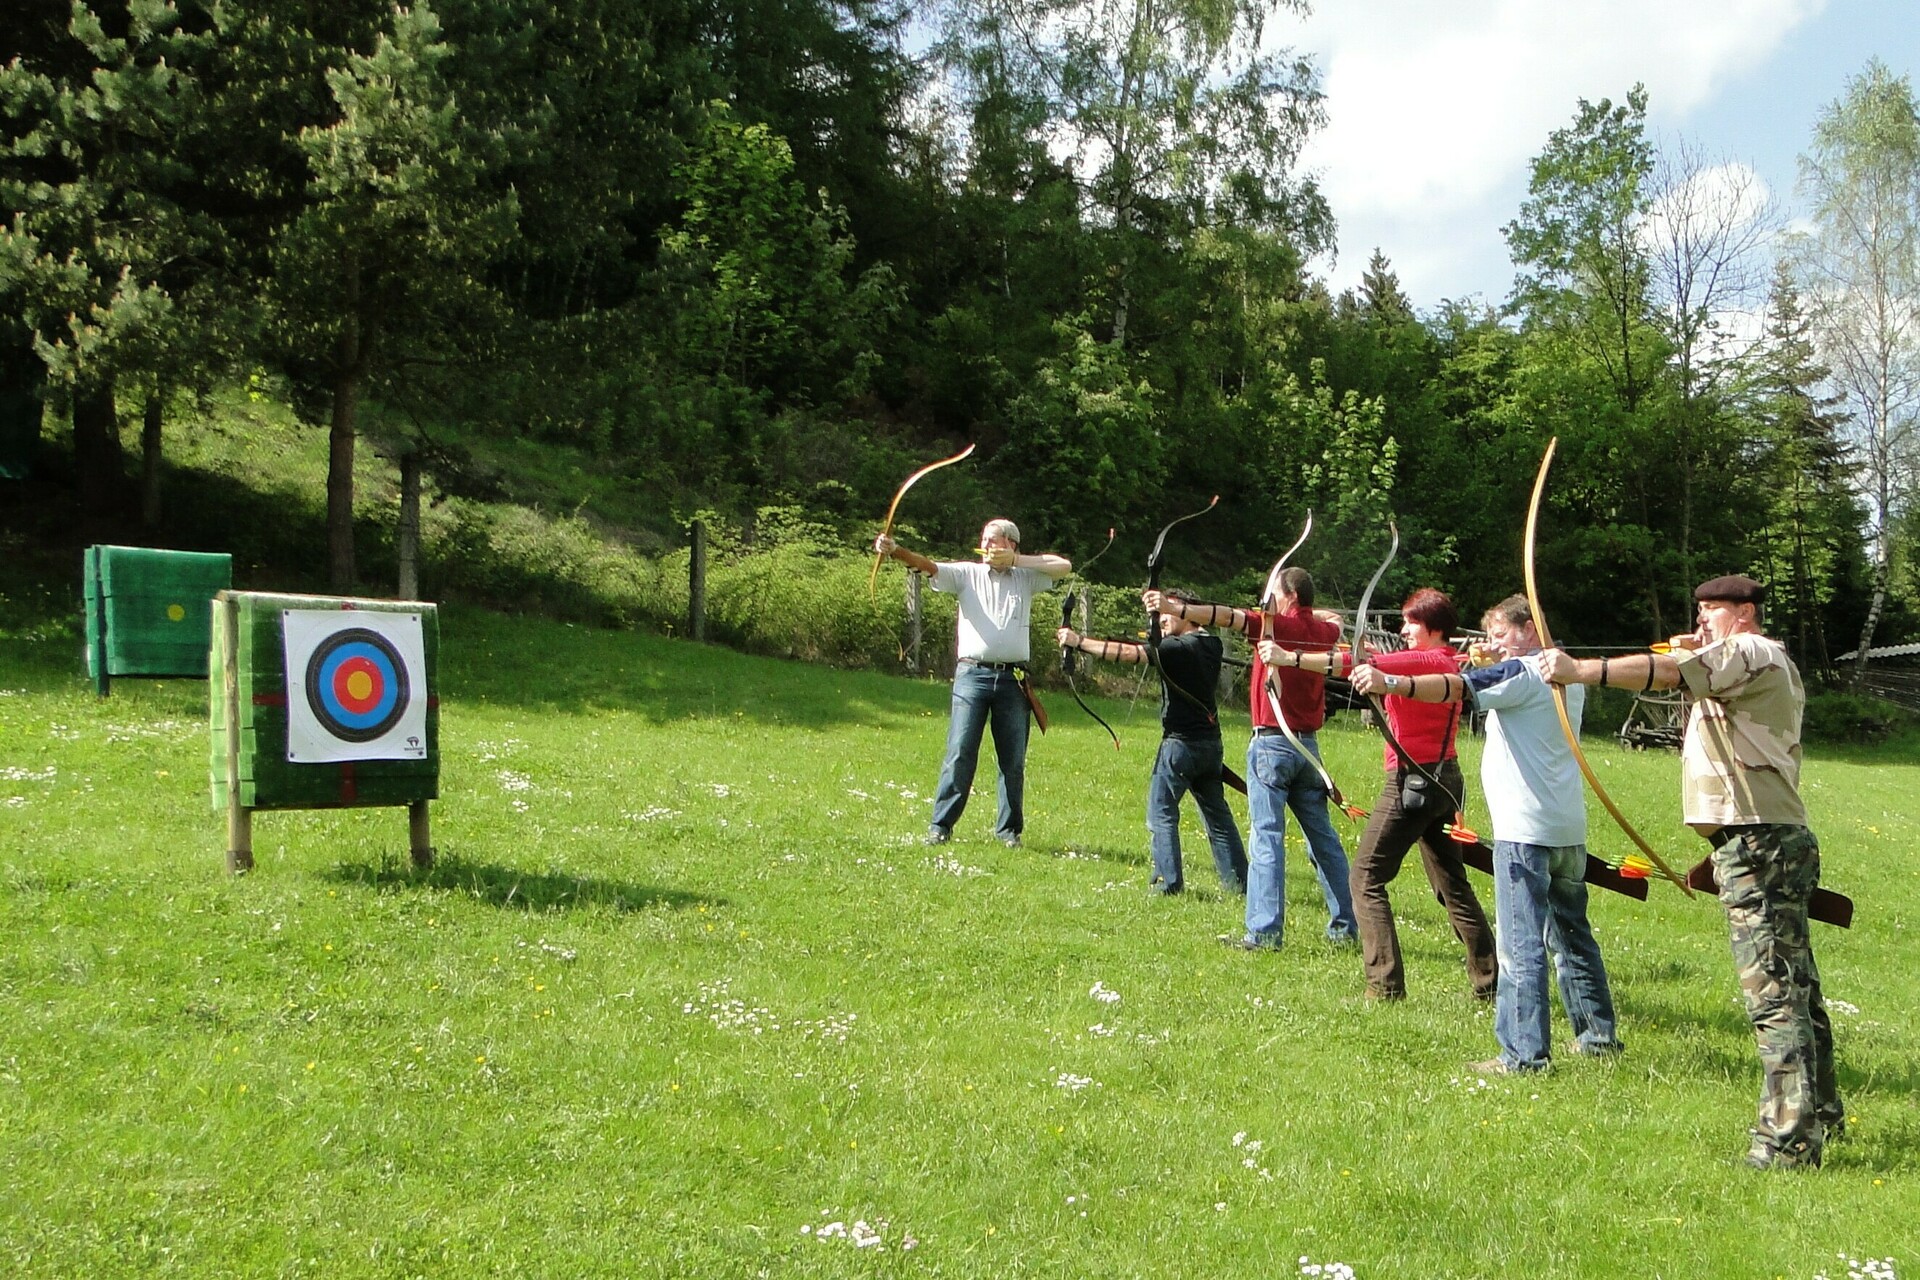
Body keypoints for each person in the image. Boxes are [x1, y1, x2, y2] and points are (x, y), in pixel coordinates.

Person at [1536, 574, 1842, 1170]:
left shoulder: (1751, 651)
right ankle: (1821, 1112)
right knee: (1796, 986)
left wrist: (1581, 671)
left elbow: (1674, 672)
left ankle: (1788, 1141)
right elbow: (1684, 666)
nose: (1702, 621)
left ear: (1746, 613)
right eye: (1698, 612)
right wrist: (1692, 647)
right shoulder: (1740, 660)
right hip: (1762, 838)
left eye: (1713, 611)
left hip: (1758, 841)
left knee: (1773, 996)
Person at [1352, 594, 1619, 1071]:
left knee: (1521, 946)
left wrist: (1390, 680)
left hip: (1525, 830)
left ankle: (1523, 1055)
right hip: (1566, 828)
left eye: (1501, 634)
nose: (1492, 643)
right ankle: (1598, 1037)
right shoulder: (1568, 673)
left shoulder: (1521, 673)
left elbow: (1454, 688)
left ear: (1531, 631)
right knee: (1572, 937)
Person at [1266, 588, 1496, 1000]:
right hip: (1444, 782)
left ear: (1435, 629)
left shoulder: (1428, 659)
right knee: (1452, 886)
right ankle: (1490, 982)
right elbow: (1367, 659)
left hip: (1412, 782)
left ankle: (1384, 985)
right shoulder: (1439, 660)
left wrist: (1286, 658)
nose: (1404, 630)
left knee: (1366, 879)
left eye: (1412, 623)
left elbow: (1353, 663)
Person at [1148, 568, 1356, 949]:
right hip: (1307, 748)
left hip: (1272, 745)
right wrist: (1305, 610)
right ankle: (1346, 927)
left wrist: (1173, 607)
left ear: (1287, 595)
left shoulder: (1271, 628)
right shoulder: (1320, 632)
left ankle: (1264, 933)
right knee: (1323, 839)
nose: (1265, 598)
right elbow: (1335, 621)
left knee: (1266, 837)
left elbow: (1225, 616)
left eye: (1271, 592)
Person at [875, 520, 1070, 847]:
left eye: (993, 542)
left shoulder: (1025, 577)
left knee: (1013, 760)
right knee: (961, 751)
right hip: (972, 676)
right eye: (984, 541)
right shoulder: (968, 573)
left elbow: (1063, 566)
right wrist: (895, 552)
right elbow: (928, 566)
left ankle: (1009, 832)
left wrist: (1016, 562)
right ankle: (941, 826)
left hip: (1013, 678)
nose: (986, 547)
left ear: (1010, 544)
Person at [1057, 589, 1248, 896]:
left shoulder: (1178, 648)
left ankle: (1167, 883)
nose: (1162, 618)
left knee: (1160, 812)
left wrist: (1079, 643)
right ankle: (1240, 883)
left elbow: (1130, 654)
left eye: (1169, 612)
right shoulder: (1211, 644)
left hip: (1180, 746)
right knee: (1218, 816)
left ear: (1188, 614)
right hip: (1210, 746)